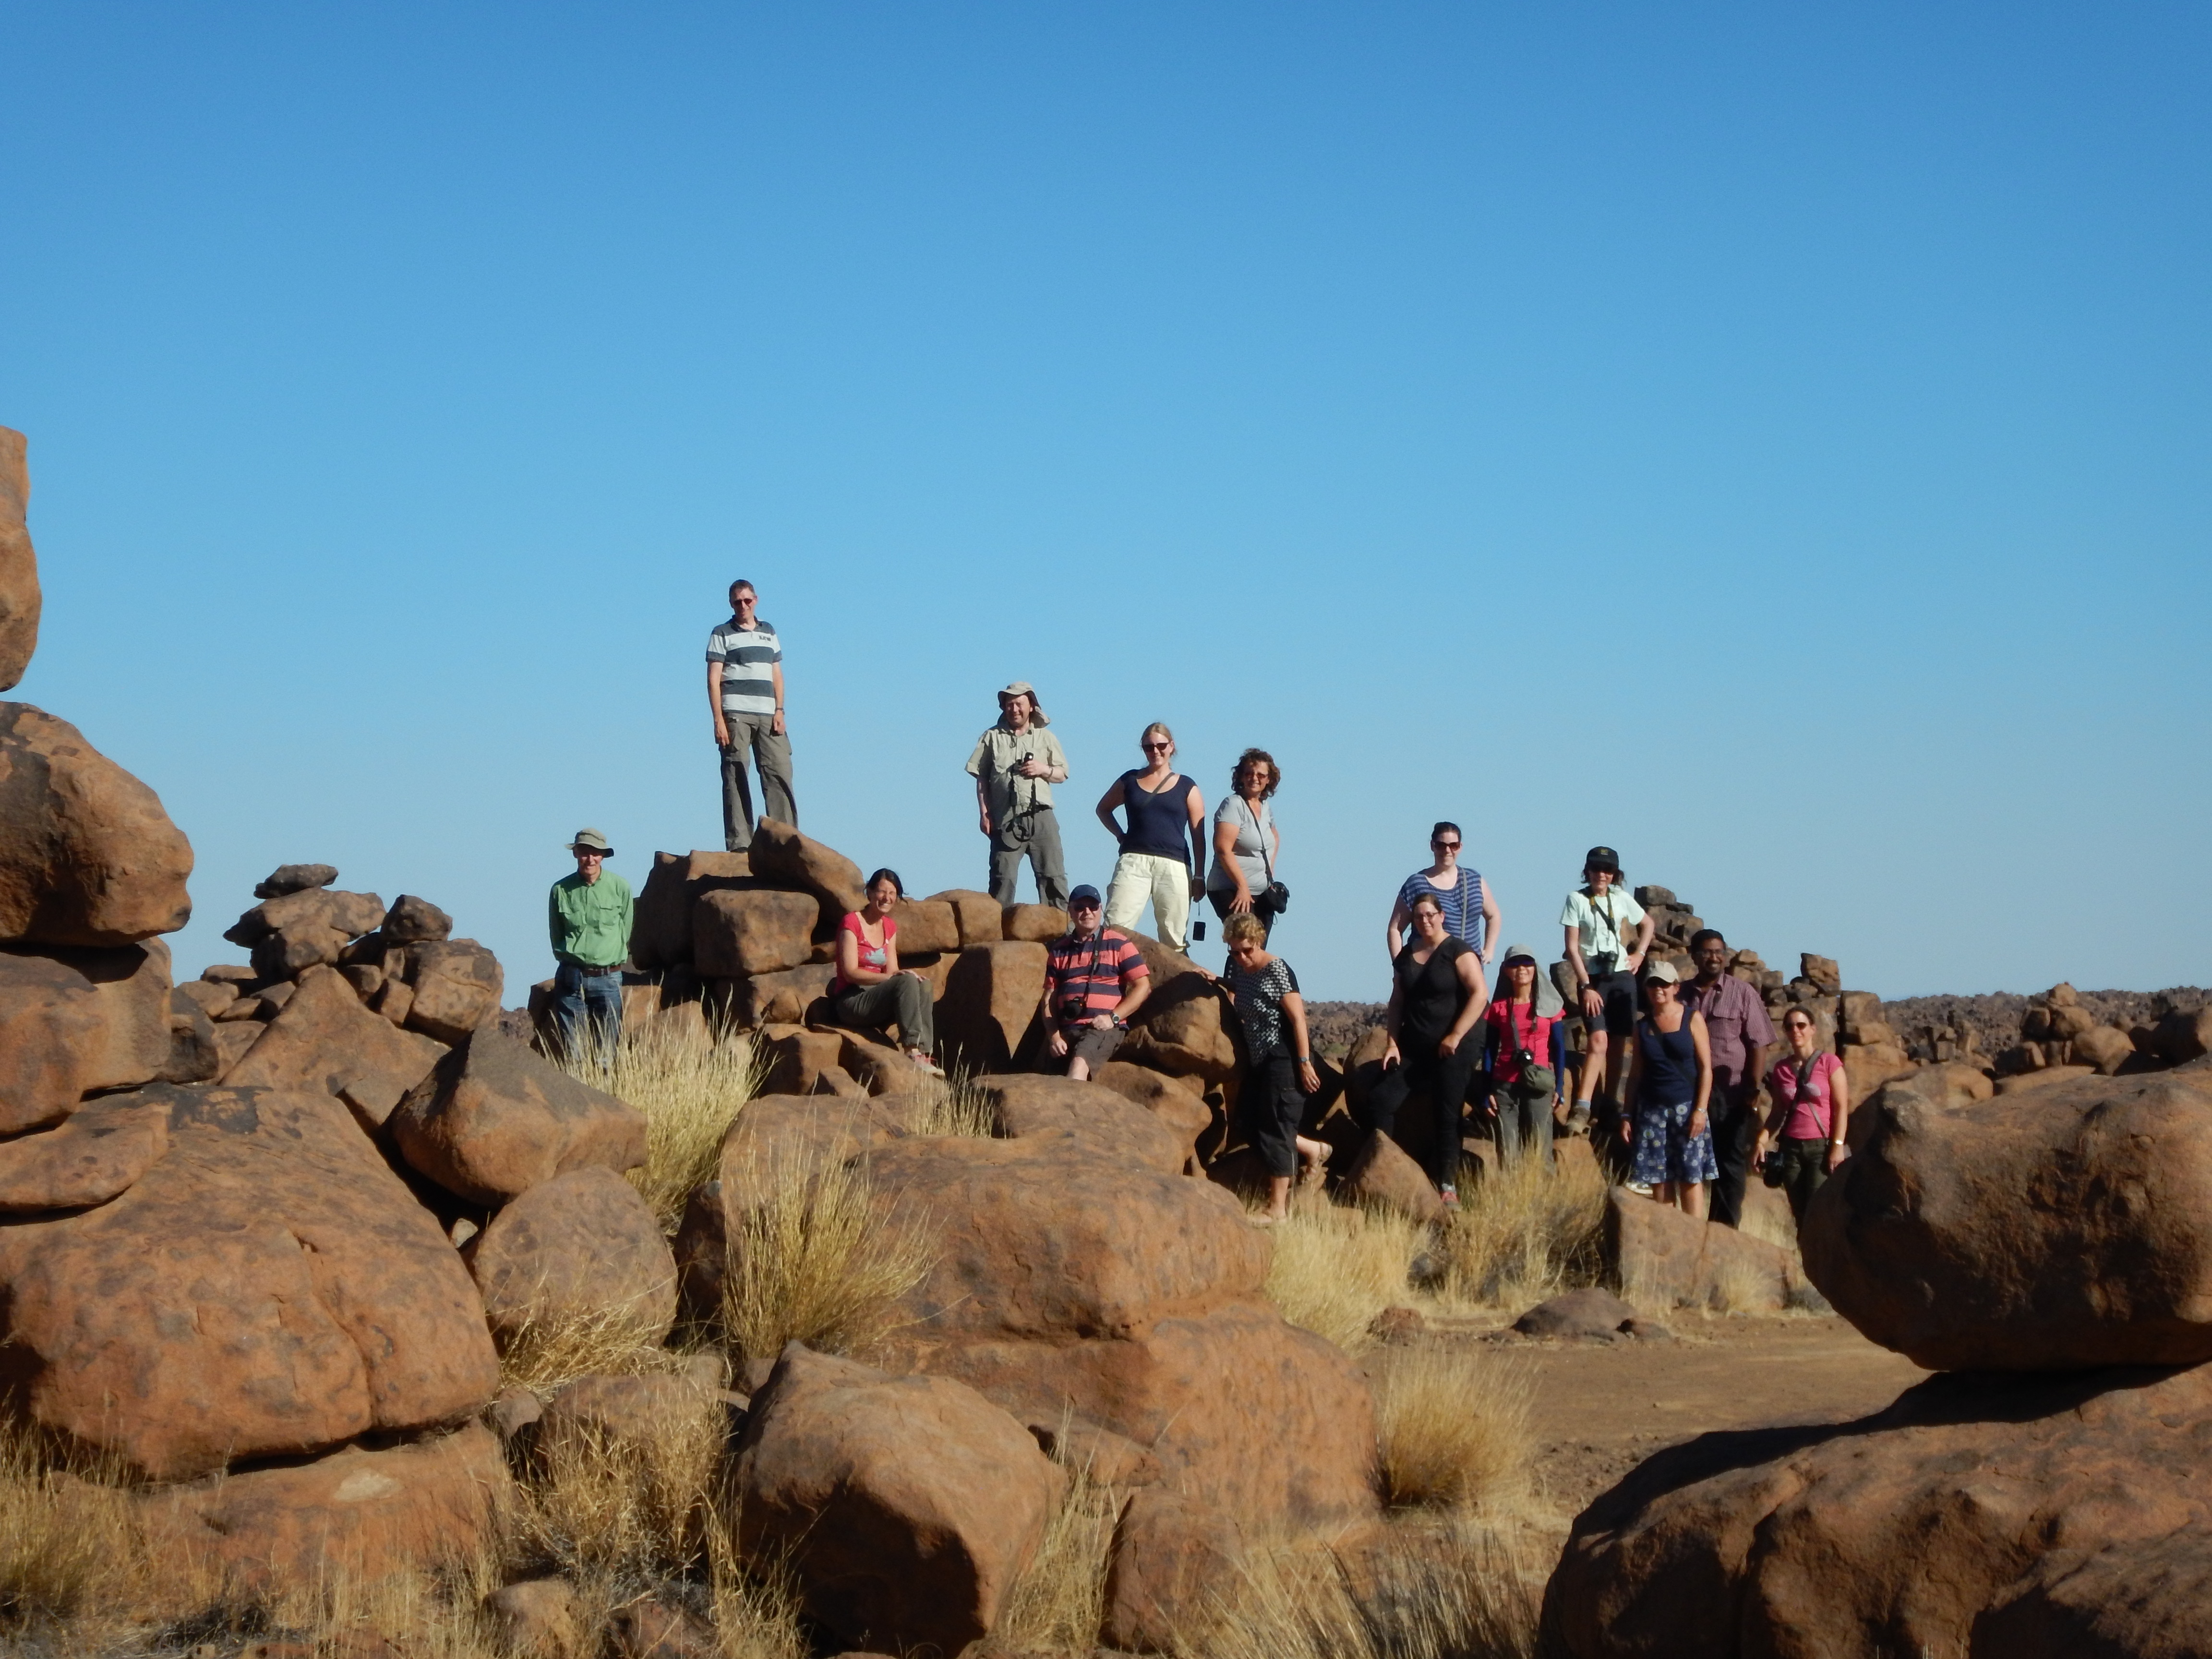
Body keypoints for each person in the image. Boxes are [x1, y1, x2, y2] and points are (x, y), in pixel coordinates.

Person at [1367, 892, 1486, 1208]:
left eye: (1431, 915)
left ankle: (1448, 1186)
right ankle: (1387, 1168)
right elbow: (1397, 1001)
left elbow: (1479, 994)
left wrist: (1455, 1035)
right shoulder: (1406, 955)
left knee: (1447, 1112)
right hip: (1415, 1046)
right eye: (1419, 917)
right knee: (1381, 1099)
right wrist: (1392, 1042)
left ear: (1442, 916)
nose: (1425, 921)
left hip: (1453, 1047)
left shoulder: (1457, 951)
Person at [1217, 912, 1331, 1223]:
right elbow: (1243, 989)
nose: (1241, 957)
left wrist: (1304, 1062)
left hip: (1281, 1058)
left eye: (1246, 950)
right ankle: (1314, 1150)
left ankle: (1277, 1210)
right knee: (1247, 1123)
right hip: (1258, 1060)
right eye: (1234, 951)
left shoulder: (1276, 969)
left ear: (1259, 941)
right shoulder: (1241, 970)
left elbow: (1297, 1019)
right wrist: (1216, 980)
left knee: (1276, 1128)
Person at [1681, 928, 1778, 1229]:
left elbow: (1759, 1042)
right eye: (1707, 952)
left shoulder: (1742, 992)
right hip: (1690, 1090)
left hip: (1731, 1091)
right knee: (1689, 1160)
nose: (1714, 957)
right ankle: (1689, 1226)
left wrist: (1752, 1086)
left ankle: (1724, 1230)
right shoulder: (1681, 994)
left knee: (1730, 1161)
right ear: (1694, 956)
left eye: (1719, 951)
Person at [1560, 846, 1655, 1135]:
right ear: (1587, 871)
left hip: (1622, 976)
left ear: (1615, 874)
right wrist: (1586, 985)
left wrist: (1639, 953)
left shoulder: (1621, 898)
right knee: (1598, 1039)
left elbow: (1647, 924)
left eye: (1608, 870)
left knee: (1618, 1042)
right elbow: (1572, 948)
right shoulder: (1576, 900)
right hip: (1593, 978)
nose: (1602, 875)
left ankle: (1611, 1104)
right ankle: (1583, 1106)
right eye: (1597, 869)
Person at [1096, 722, 1207, 954]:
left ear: (1172, 747)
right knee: (1115, 926)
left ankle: (1178, 987)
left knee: (1174, 936)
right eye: (1149, 747)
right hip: (1134, 861)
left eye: (1161, 745)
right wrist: (1120, 835)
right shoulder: (1129, 780)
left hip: (1174, 864)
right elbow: (1103, 809)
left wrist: (1199, 876)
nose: (1155, 751)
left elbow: (1199, 834)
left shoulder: (1188, 786)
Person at [706, 579, 796, 853]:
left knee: (779, 771)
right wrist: (718, 720)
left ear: (756, 600)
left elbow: (777, 673)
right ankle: (740, 843)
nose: (743, 606)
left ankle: (785, 839)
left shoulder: (769, 631)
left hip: (769, 714)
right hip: (736, 713)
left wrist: (780, 710)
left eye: (747, 600)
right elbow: (713, 679)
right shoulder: (722, 633)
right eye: (737, 602)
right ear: (731, 603)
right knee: (736, 772)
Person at [1623, 960, 1715, 1216]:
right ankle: (1671, 1239)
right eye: (1652, 984)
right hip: (1652, 1110)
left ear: (1675, 987)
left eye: (1663, 984)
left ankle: (1696, 1239)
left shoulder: (1692, 1019)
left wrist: (1701, 1109)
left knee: (1690, 1177)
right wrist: (1627, 1115)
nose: (1658, 989)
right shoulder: (1642, 1027)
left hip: (1687, 1108)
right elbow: (1635, 1075)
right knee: (1659, 1179)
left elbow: (1706, 1068)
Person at [966, 683, 1071, 907]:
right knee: (1002, 879)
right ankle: (997, 936)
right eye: (1009, 705)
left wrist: (1043, 769)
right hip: (1005, 818)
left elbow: (1063, 774)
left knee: (1053, 878)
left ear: (1031, 706)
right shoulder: (991, 737)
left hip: (1042, 817)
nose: (1014, 709)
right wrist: (985, 814)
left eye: (1019, 704)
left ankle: (1064, 936)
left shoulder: (1046, 737)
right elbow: (981, 777)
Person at [826, 868, 941, 1073]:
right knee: (904, 981)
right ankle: (911, 1050)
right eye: (881, 892)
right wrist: (890, 978)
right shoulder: (851, 922)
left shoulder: (890, 927)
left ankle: (924, 1053)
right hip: (851, 1000)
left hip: (876, 997)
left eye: (892, 893)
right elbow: (850, 972)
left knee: (923, 983)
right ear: (869, 893)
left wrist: (906, 976)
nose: (887, 898)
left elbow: (893, 970)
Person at [1040, 885, 1153, 1079]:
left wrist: (1113, 1018)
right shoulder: (1059, 951)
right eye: (1080, 907)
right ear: (1071, 911)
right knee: (1047, 1081)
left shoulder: (1118, 944)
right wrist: (1054, 1036)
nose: (1087, 912)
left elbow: (1143, 987)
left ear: (1101, 909)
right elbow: (1050, 997)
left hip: (1101, 1027)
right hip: (1067, 1029)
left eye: (1093, 907)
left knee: (1078, 1066)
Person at [1756, 1006, 1851, 1223]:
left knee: (1818, 1209)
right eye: (1790, 1026)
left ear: (1813, 1029)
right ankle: (1803, 1255)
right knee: (1799, 1213)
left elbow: (1841, 1106)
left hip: (1821, 1147)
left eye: (1801, 1025)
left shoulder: (1829, 1063)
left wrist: (1837, 1146)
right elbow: (1778, 1111)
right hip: (1791, 1149)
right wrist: (1762, 1140)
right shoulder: (1781, 1069)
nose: (1796, 1031)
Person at [548, 828, 633, 1063]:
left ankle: (604, 1096)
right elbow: (556, 934)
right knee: (572, 1050)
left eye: (595, 854)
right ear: (576, 854)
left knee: (607, 1051)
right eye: (585, 853)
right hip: (571, 976)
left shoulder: (620, 887)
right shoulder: (560, 890)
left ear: (603, 856)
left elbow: (625, 928)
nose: (590, 859)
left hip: (608, 978)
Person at [1482, 944, 1568, 1170]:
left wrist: (1559, 1087)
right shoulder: (1499, 1008)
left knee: (1541, 1151)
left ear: (1535, 968)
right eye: (1514, 964)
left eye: (1527, 963)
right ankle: (1512, 1200)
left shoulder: (1550, 1007)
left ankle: (1545, 1200)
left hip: (1539, 1083)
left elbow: (1559, 1047)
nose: (1521, 968)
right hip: (1504, 1086)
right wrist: (1487, 1090)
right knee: (1508, 1155)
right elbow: (1490, 1049)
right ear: (1506, 971)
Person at [1385, 821, 1501, 971]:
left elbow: (1494, 916)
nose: (1447, 850)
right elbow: (1395, 929)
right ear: (1433, 846)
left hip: (1468, 971)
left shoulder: (1474, 880)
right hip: (1427, 972)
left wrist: (1489, 950)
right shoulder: (1416, 884)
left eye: (1454, 845)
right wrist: (1400, 967)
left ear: (1460, 847)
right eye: (1441, 845)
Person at [1205, 748, 1284, 953]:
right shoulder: (1233, 805)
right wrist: (1242, 886)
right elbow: (1223, 848)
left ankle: (1249, 986)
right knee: (1244, 943)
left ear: (1269, 780)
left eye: (1261, 775)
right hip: (1230, 889)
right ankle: (1232, 985)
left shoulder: (1265, 807)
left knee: (1259, 948)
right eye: (1249, 773)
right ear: (1240, 776)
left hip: (1262, 892)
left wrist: (1270, 869)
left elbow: (1274, 836)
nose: (1254, 778)